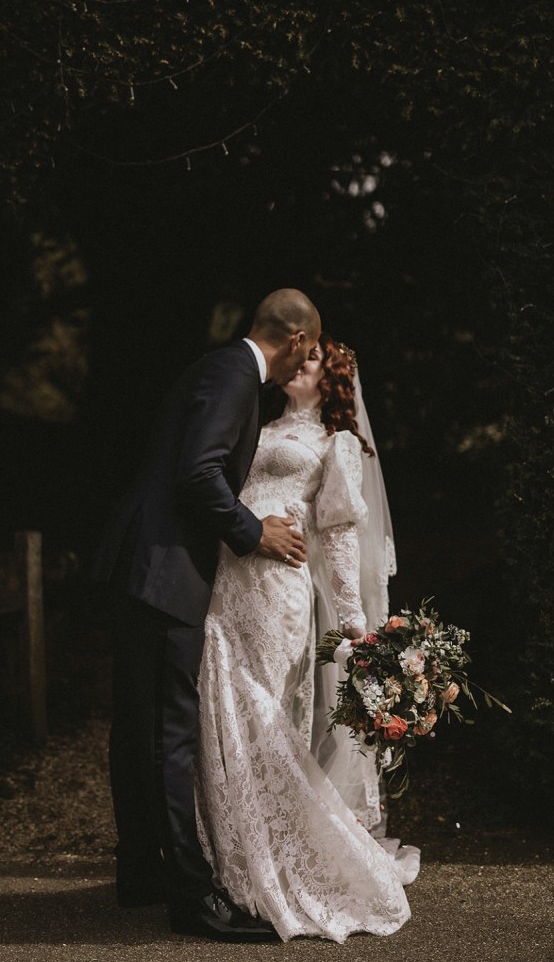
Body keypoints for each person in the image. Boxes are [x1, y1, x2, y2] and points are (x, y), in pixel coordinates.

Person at [92, 288, 321, 940]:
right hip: (165, 572)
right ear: (297, 340)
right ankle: (193, 900)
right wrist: (257, 533)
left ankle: (139, 870)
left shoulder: (214, 366)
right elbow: (198, 474)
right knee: (170, 733)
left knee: (137, 726)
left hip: (142, 562)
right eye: (309, 349)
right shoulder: (236, 375)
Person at [195, 334, 420, 943]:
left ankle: (285, 862)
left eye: (316, 359)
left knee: (265, 717)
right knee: (222, 712)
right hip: (227, 584)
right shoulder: (256, 423)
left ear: (331, 381)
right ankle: (228, 859)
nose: (302, 362)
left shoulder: (337, 444)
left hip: (278, 591)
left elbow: (342, 541)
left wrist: (355, 625)